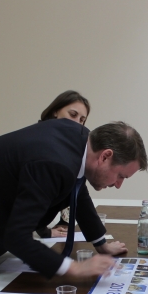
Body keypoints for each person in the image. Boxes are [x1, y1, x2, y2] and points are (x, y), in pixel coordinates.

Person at [0, 119, 148, 291]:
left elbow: (77, 190)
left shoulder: (81, 142)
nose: (118, 185)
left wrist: (101, 243)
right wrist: (75, 268)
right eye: (121, 176)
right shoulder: (55, 162)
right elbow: (17, 237)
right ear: (105, 156)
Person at [36, 90, 92, 239]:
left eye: (82, 120)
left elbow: (74, 187)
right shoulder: (42, 140)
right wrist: (44, 232)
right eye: (73, 115)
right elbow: (36, 195)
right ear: (55, 111)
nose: (77, 123)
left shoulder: (67, 146)